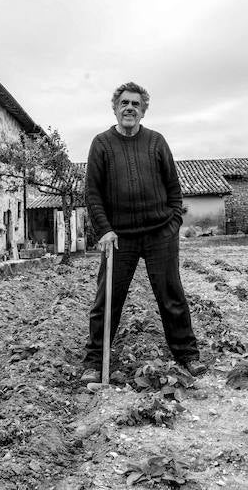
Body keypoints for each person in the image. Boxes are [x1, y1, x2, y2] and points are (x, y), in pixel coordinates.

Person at [80, 82, 206, 385]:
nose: (129, 108)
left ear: (143, 110)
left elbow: (174, 189)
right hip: (119, 237)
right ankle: (95, 360)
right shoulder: (101, 144)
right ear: (115, 107)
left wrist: (173, 223)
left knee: (171, 295)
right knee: (107, 298)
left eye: (136, 104)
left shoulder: (156, 142)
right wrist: (105, 230)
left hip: (159, 233)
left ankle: (186, 355)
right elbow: (92, 193)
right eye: (124, 103)